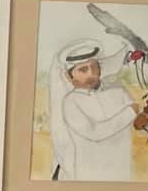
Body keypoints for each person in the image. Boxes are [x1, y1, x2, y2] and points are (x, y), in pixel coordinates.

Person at [49, 40, 140, 181]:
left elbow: (138, 125)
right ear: (69, 77)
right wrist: (129, 113)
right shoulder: (71, 101)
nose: (91, 74)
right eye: (83, 70)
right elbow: (94, 132)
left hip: (120, 171)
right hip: (88, 174)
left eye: (94, 67)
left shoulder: (118, 91)